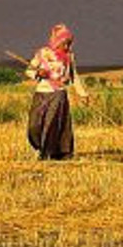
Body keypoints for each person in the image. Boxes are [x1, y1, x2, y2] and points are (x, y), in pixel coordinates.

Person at [25, 23, 88, 160]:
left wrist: (83, 94)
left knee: (51, 125)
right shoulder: (42, 53)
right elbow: (29, 71)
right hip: (41, 93)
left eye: (69, 43)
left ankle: (48, 154)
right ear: (57, 40)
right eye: (64, 43)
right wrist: (38, 74)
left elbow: (74, 76)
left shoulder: (69, 57)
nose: (67, 46)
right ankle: (40, 147)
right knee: (34, 126)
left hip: (58, 94)